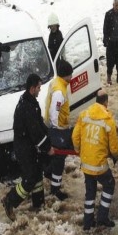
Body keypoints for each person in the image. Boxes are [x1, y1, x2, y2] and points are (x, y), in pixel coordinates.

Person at [2, 74, 54, 221]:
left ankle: (38, 204)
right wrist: (47, 148)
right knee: (30, 178)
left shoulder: (30, 102)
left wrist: (49, 137)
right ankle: (10, 200)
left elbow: (40, 124)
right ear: (32, 88)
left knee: (37, 173)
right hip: (24, 149)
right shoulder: (27, 107)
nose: (40, 90)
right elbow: (35, 132)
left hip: (29, 147)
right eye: (38, 87)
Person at [72, 89, 118, 231]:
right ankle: (102, 217)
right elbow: (114, 147)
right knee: (109, 184)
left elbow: (75, 137)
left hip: (86, 163)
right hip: (99, 165)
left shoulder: (84, 114)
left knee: (90, 191)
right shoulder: (108, 120)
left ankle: (88, 223)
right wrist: (117, 157)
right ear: (106, 102)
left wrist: (78, 150)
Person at [44, 59, 74, 201]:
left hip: (56, 127)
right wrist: (57, 130)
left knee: (58, 157)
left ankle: (48, 172)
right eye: (70, 75)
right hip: (58, 128)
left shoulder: (56, 83)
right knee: (59, 159)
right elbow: (53, 112)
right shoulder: (60, 92)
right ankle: (55, 190)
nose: (72, 77)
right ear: (65, 76)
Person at [103, 0, 118, 85]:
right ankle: (109, 77)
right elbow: (105, 28)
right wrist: (106, 40)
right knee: (110, 60)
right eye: (115, 5)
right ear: (113, 5)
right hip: (110, 42)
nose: (117, 7)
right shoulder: (108, 14)